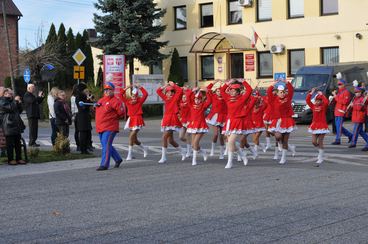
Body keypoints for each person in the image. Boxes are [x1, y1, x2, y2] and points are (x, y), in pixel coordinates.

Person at [221, 79, 252, 169]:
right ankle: (243, 155)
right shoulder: (227, 98)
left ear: (238, 92)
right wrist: (228, 83)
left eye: (234, 90)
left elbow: (249, 90)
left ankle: (230, 162)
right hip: (229, 122)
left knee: (230, 142)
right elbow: (222, 90)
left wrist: (243, 81)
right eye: (231, 90)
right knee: (231, 143)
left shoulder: (242, 98)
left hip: (238, 122)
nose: (232, 91)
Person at [95, 82, 125, 171]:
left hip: (110, 127)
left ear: (113, 90)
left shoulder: (116, 101)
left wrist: (116, 113)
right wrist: (94, 106)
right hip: (101, 127)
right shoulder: (101, 100)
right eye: (106, 90)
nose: (107, 91)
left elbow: (121, 113)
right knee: (106, 145)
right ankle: (118, 159)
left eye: (109, 89)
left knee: (106, 145)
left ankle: (104, 164)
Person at [267, 81, 296, 165]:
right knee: (278, 136)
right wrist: (273, 84)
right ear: (277, 93)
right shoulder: (273, 100)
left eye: (283, 92)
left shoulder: (287, 99)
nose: (282, 94)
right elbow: (269, 92)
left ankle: (283, 157)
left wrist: (286, 82)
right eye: (280, 92)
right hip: (277, 121)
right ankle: (290, 147)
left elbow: (291, 90)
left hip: (287, 121)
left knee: (285, 140)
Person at [156, 81, 185, 163]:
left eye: (172, 91)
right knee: (170, 140)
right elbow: (158, 91)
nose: (171, 93)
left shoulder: (176, 98)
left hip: (173, 119)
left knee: (164, 137)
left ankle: (163, 157)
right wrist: (165, 86)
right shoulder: (165, 98)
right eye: (169, 91)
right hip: (166, 119)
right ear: (166, 93)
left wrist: (173, 85)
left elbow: (179, 91)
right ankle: (183, 151)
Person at [121, 83, 149, 160]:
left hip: (138, 119)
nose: (133, 97)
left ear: (137, 96)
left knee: (131, 136)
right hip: (131, 119)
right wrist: (127, 87)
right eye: (132, 96)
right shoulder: (127, 101)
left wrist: (140, 87)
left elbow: (145, 94)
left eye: (135, 96)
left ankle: (129, 154)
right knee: (135, 139)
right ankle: (144, 148)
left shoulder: (139, 101)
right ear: (131, 96)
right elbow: (120, 95)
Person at [186, 88, 212, 166]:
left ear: (201, 99)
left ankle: (194, 160)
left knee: (195, 143)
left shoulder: (203, 105)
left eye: (199, 99)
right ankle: (203, 152)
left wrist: (207, 92)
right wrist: (192, 91)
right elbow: (188, 97)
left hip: (201, 126)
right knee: (194, 145)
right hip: (193, 125)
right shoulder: (191, 105)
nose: (197, 100)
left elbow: (210, 101)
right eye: (196, 99)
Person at [0, 89, 26, 165]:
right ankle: (10, 159)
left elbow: (20, 111)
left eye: (11, 93)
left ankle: (19, 158)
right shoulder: (2, 101)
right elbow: (10, 108)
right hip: (8, 125)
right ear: (4, 94)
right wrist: (15, 101)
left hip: (16, 125)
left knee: (18, 143)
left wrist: (19, 103)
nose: (11, 94)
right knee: (10, 144)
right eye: (9, 93)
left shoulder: (12, 101)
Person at [306, 88, 330, 166]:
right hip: (314, 125)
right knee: (313, 142)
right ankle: (321, 150)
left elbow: (326, 102)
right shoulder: (313, 106)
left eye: (319, 100)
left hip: (322, 125)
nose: (317, 102)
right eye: (316, 100)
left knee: (320, 142)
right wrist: (311, 93)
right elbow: (307, 101)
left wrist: (321, 95)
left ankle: (320, 156)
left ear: (321, 101)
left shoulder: (323, 107)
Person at [206, 80, 227, 159]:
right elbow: (208, 89)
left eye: (220, 91)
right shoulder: (213, 96)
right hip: (215, 117)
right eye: (217, 91)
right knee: (215, 134)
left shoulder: (225, 97)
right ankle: (212, 149)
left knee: (222, 136)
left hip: (223, 117)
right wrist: (214, 83)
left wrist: (225, 84)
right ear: (215, 92)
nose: (219, 92)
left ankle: (221, 153)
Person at [331, 79, 352, 145]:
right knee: (338, 126)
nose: (338, 86)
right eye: (338, 84)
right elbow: (337, 101)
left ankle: (338, 140)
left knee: (338, 126)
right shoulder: (339, 92)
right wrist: (332, 98)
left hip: (341, 111)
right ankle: (350, 135)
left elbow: (345, 102)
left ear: (344, 85)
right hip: (337, 111)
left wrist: (335, 96)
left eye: (340, 84)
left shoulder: (346, 92)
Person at [347, 86, 368, 151]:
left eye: (358, 92)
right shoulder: (354, 99)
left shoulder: (362, 99)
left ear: (361, 92)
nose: (356, 93)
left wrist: (354, 105)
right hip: (355, 117)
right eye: (355, 92)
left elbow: (361, 108)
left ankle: (353, 142)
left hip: (360, 117)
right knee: (361, 131)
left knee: (355, 130)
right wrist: (349, 107)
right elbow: (353, 109)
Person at [76, 83, 93, 154]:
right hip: (82, 117)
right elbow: (83, 106)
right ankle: (83, 150)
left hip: (85, 116)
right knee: (83, 134)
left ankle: (86, 148)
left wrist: (89, 99)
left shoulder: (83, 95)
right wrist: (88, 99)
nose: (87, 90)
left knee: (87, 133)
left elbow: (88, 105)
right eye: (85, 89)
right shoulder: (79, 96)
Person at [252, 90, 267, 154]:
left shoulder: (261, 107)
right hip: (252, 125)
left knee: (256, 138)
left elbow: (266, 104)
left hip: (260, 125)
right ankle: (262, 145)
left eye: (257, 102)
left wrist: (261, 99)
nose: (256, 103)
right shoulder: (251, 107)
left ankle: (255, 151)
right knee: (254, 139)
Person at [179, 86, 192, 159]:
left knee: (187, 136)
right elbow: (178, 94)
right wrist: (181, 89)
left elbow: (190, 94)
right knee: (181, 137)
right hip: (182, 121)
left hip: (189, 121)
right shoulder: (180, 103)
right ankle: (191, 145)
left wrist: (187, 90)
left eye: (185, 97)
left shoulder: (189, 103)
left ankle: (189, 151)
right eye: (183, 97)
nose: (184, 98)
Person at [71, 85, 80, 151]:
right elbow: (73, 107)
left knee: (78, 131)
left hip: (77, 114)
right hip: (77, 114)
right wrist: (73, 115)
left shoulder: (73, 97)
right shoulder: (74, 97)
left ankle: (79, 145)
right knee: (77, 130)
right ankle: (78, 145)